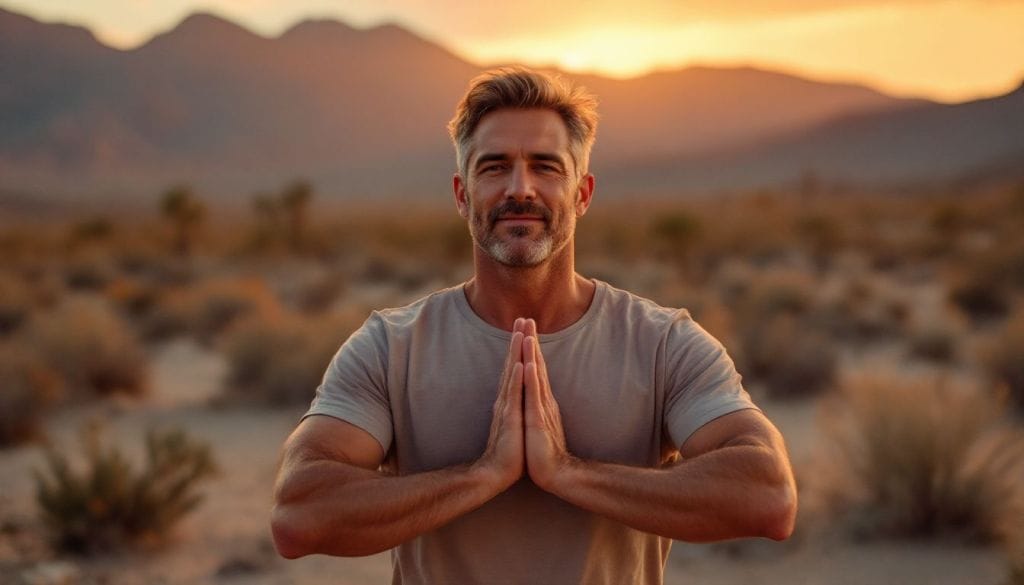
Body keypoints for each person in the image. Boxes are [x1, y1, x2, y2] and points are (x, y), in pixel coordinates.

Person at [271, 66, 797, 585]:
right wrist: (483, 475)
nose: (519, 188)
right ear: (461, 194)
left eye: (546, 167)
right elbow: (299, 515)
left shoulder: (661, 343)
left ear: (583, 193)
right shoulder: (392, 348)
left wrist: (567, 472)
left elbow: (768, 497)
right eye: (494, 167)